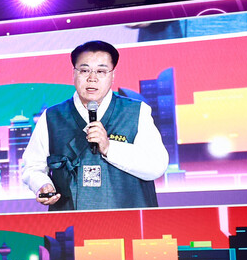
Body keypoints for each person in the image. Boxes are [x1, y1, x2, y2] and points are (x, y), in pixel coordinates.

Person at [20, 40, 168, 211]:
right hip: (71, 222)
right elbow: (32, 166)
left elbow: (156, 166)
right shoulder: (52, 116)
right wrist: (42, 184)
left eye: (101, 71)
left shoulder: (136, 111)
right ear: (73, 73)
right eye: (84, 70)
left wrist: (109, 147)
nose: (92, 78)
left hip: (128, 221)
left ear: (113, 75)